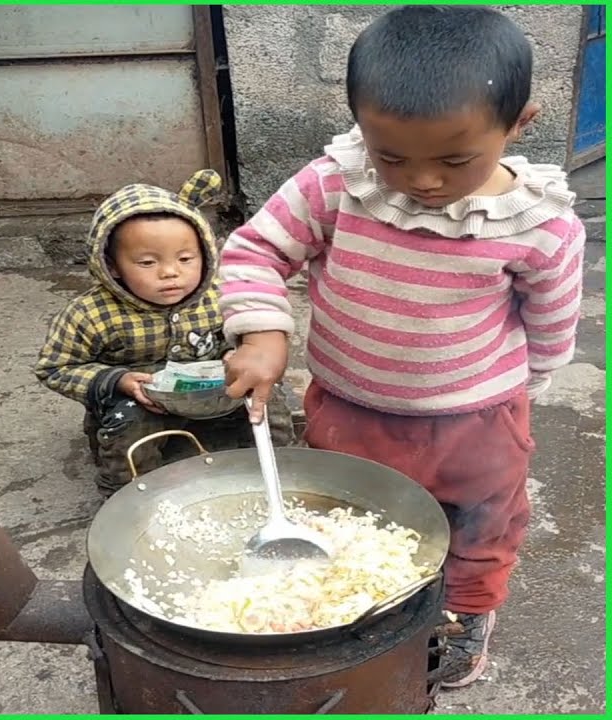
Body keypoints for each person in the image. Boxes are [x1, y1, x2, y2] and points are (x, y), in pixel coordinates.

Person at [219, 6, 585, 689]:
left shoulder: (540, 226)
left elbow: (551, 325)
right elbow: (257, 249)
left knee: (479, 529)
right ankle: (351, 605)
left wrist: (523, 388)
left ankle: (465, 615)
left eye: (454, 160)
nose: (422, 180)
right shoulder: (338, 183)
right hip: (348, 407)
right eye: (391, 156)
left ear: (517, 124)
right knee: (346, 515)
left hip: (475, 421)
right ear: (361, 125)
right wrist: (264, 331)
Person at [36, 170, 295, 498]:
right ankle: (130, 495)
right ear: (111, 266)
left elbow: (253, 333)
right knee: (128, 424)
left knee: (266, 397)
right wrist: (116, 380)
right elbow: (55, 367)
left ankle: (281, 469)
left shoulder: (223, 295)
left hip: (215, 394)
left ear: (206, 253)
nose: (170, 272)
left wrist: (240, 351)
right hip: (143, 401)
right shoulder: (90, 314)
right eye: (147, 262)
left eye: (186, 259)